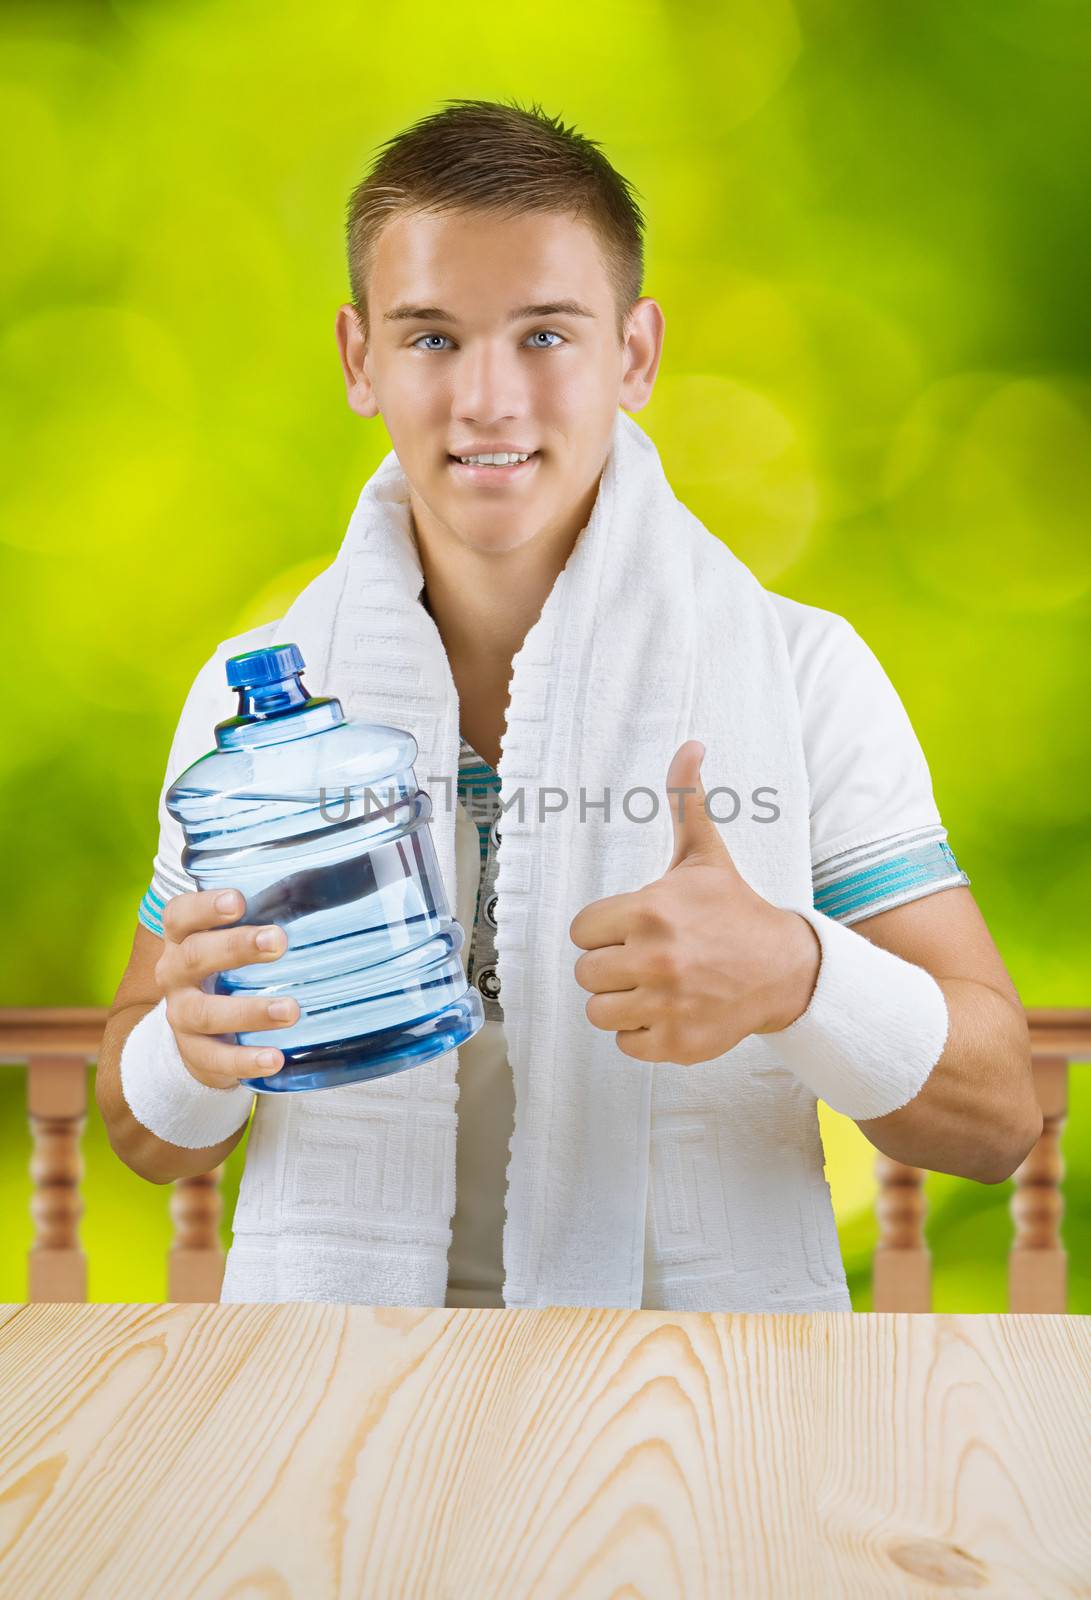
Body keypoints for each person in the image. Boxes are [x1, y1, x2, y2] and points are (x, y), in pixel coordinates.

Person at [97, 98, 1041, 1311]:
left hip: (684, 1404)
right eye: (432, 337)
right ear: (357, 359)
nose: (488, 400)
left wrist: (800, 976)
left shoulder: (802, 673)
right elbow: (143, 1134)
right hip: (344, 1405)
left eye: (544, 335)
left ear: (634, 355)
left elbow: (995, 1116)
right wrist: (191, 1045)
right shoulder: (260, 708)